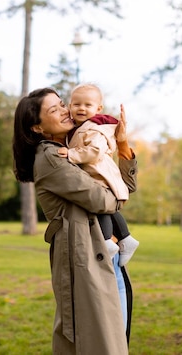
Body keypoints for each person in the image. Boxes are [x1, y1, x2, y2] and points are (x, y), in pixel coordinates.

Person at [13, 87, 138, 354]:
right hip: (84, 259)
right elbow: (101, 199)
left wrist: (123, 144)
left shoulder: (75, 146)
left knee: (113, 340)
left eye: (61, 104)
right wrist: (117, 196)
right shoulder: (50, 157)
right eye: (54, 110)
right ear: (37, 127)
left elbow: (124, 186)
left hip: (104, 255)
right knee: (97, 342)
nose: (65, 110)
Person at [57, 83, 140, 267]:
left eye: (88, 105)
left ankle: (107, 241)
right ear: (70, 106)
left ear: (98, 109)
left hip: (101, 176)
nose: (81, 108)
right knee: (106, 207)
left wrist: (71, 154)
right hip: (96, 177)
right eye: (77, 104)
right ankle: (125, 238)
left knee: (101, 205)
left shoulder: (95, 128)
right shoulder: (77, 129)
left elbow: (94, 151)